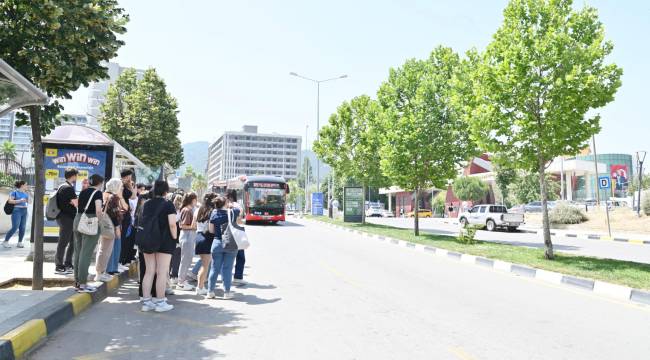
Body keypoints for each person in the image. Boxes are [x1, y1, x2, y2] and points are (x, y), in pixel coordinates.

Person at [140, 180, 178, 312]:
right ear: (166, 191)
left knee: (149, 271)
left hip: (148, 240)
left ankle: (146, 302)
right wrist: (175, 238)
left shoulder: (147, 204)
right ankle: (160, 302)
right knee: (162, 272)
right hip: (164, 240)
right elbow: (172, 224)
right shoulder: (168, 204)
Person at [72, 174, 104, 292]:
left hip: (78, 220)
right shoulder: (98, 193)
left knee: (78, 251)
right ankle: (83, 284)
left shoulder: (83, 191)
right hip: (90, 222)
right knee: (86, 253)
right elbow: (98, 210)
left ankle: (77, 281)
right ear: (100, 183)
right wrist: (102, 222)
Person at [206, 195, 240, 300]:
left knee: (214, 268)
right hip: (230, 243)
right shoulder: (232, 212)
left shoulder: (214, 213)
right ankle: (226, 292)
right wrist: (231, 205)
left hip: (217, 242)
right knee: (227, 268)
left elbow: (211, 230)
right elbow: (240, 209)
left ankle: (210, 291)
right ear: (225, 203)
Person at [95, 178, 124, 282]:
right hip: (109, 225)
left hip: (102, 224)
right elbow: (114, 213)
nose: (121, 189)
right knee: (105, 250)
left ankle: (101, 272)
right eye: (120, 186)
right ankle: (100, 273)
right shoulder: (113, 197)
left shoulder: (104, 194)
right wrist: (117, 227)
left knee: (102, 249)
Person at [54, 168, 79, 275]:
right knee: (64, 242)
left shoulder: (62, 186)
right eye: (76, 175)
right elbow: (76, 203)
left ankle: (68, 264)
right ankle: (59, 266)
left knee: (72, 242)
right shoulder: (68, 188)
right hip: (67, 218)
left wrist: (72, 202)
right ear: (73, 176)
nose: (77, 177)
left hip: (65, 217)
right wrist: (73, 202)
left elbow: (72, 202)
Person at [193, 193, 216, 295]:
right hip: (207, 237)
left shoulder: (198, 210)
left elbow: (194, 224)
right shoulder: (212, 211)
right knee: (205, 265)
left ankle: (200, 286)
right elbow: (212, 229)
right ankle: (200, 287)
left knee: (204, 264)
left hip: (198, 236)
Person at [176, 192, 198, 291]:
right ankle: (181, 282)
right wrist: (193, 227)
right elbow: (183, 226)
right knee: (185, 260)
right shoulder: (187, 210)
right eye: (195, 199)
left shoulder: (188, 209)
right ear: (192, 200)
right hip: (187, 236)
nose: (196, 201)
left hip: (188, 236)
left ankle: (182, 280)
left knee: (187, 259)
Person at [227, 189, 246, 286]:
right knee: (240, 256)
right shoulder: (238, 206)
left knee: (226, 257)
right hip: (237, 233)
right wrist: (244, 222)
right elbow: (239, 221)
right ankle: (238, 277)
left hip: (226, 232)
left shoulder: (223, 205)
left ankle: (225, 278)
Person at [2, 180, 29, 248]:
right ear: (22, 185)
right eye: (26, 185)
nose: (27, 186)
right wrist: (20, 200)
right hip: (17, 211)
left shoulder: (26, 193)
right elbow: (10, 201)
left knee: (22, 227)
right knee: (15, 227)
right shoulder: (14, 192)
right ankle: (5, 241)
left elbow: (29, 202)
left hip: (24, 210)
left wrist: (28, 199)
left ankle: (19, 242)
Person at [169, 193, 184, 286]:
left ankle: (171, 275)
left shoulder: (170, 210)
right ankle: (174, 275)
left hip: (171, 236)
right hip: (176, 236)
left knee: (171, 257)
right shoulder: (179, 211)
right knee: (176, 256)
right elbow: (175, 224)